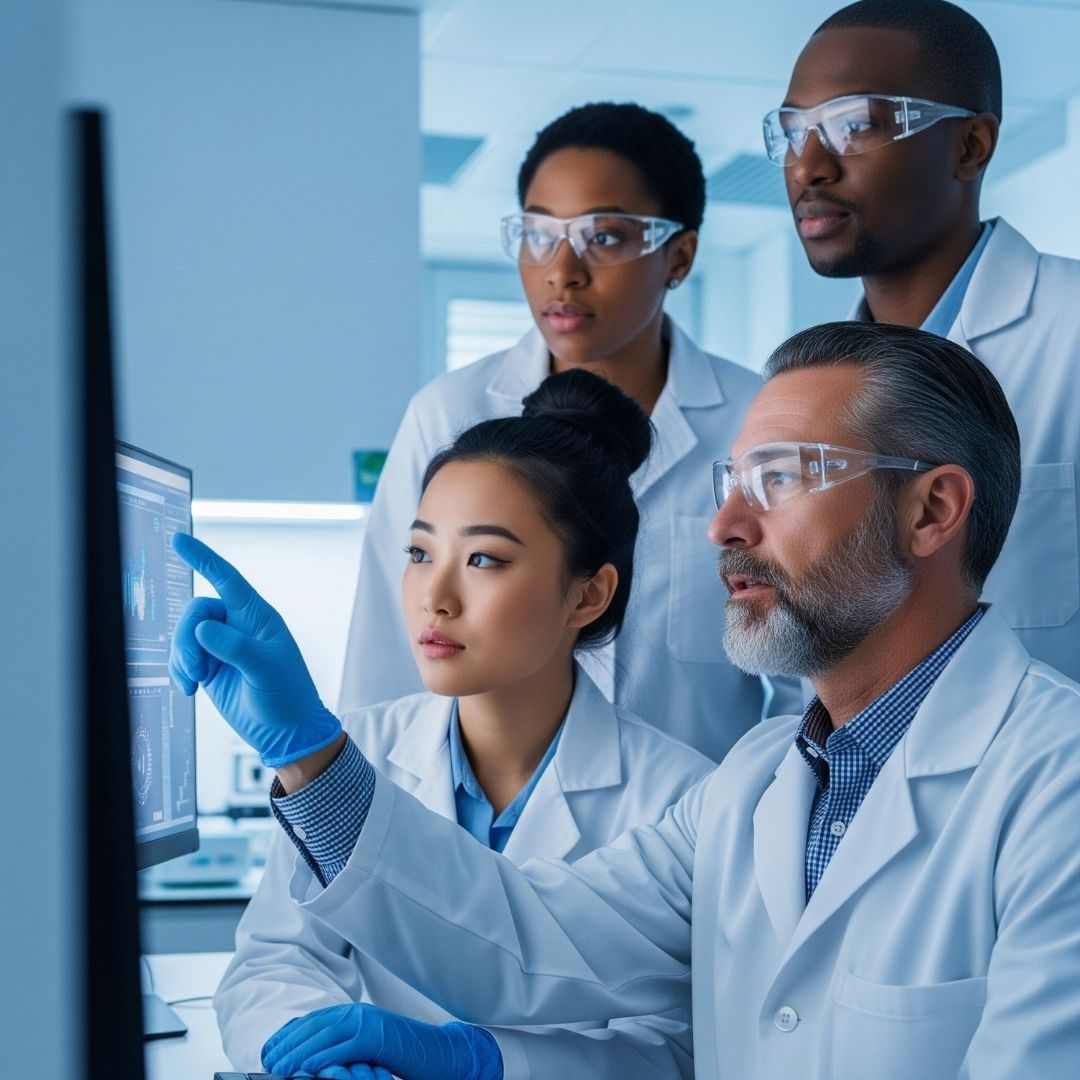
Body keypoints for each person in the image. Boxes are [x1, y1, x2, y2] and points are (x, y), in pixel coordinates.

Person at [173, 322, 1080, 1079]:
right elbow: (528, 936)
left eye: (785, 477)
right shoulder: (755, 784)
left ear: (930, 511)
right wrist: (314, 760)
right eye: (732, 483)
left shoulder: (1054, 782)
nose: (726, 524)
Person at [189, 370, 715, 1078]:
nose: (434, 597)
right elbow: (274, 963)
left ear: (588, 594)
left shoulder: (682, 798)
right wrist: (315, 1056)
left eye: (483, 559)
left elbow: (678, 1046)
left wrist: (486, 1065)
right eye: (419, 553)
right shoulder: (361, 750)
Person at [339, 102, 802, 763]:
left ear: (679, 256)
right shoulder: (453, 415)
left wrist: (751, 813)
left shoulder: (757, 422)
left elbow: (807, 673)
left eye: (604, 236)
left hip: (695, 839)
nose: (562, 269)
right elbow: (382, 669)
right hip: (477, 842)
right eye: (539, 234)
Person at [768, 0, 1080, 680]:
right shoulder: (806, 383)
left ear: (970, 146)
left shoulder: (1071, 329)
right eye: (794, 130)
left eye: (853, 126)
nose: (808, 165)